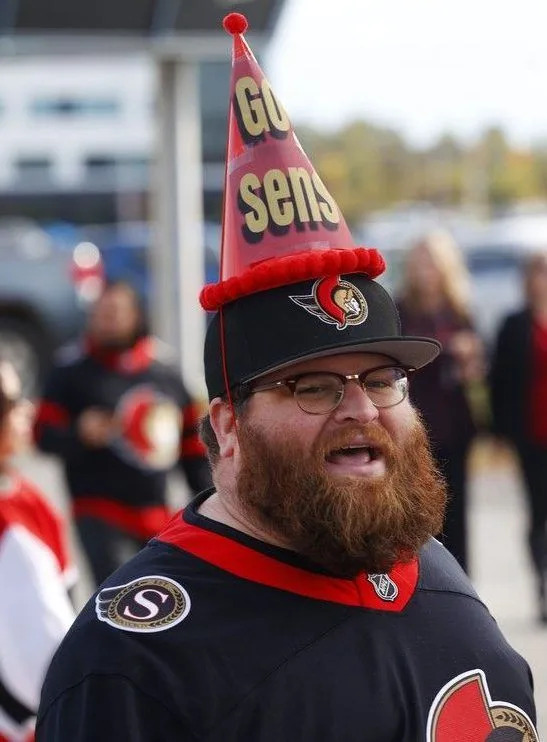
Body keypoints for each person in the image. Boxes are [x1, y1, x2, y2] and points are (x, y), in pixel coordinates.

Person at [36, 14, 538, 742]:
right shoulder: (134, 663)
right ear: (226, 426)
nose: (360, 406)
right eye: (313, 385)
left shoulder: (434, 577)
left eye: (381, 376)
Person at [33, 279, 211, 586]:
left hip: (156, 515)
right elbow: (41, 434)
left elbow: (191, 448)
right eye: (100, 313)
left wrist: (209, 503)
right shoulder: (71, 370)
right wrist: (79, 434)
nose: (106, 321)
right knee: (118, 593)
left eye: (115, 312)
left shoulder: (163, 371)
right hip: (98, 509)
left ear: (135, 316)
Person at [396, 229, 485, 573]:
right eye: (420, 262)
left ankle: (463, 581)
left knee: (458, 509)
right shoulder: (400, 309)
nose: (426, 270)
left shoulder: (459, 310)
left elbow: (479, 369)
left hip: (456, 422)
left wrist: (472, 359)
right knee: (419, 508)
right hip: (416, 421)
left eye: (432, 262)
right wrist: (448, 350)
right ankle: (423, 579)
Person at [0, 359, 76, 742]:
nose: (26, 408)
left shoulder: (31, 500)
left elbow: (66, 605)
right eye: (11, 401)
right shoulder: (12, 523)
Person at [490, 249, 547, 624]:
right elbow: (499, 380)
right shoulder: (513, 324)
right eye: (534, 274)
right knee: (539, 515)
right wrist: (499, 432)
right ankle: (542, 587)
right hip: (531, 435)